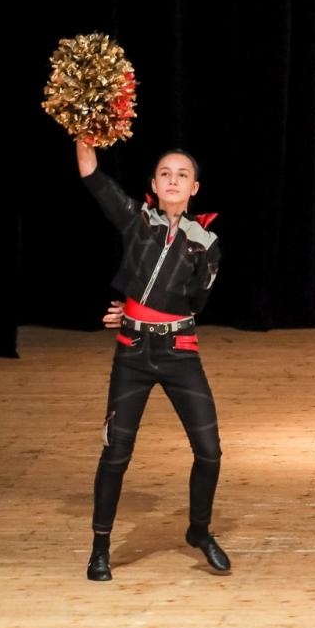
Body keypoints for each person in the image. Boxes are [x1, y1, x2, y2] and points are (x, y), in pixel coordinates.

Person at [76, 139, 230, 581]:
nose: (173, 180)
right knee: (116, 454)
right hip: (133, 354)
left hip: (180, 353)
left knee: (210, 452)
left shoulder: (206, 242)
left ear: (194, 186)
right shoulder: (136, 219)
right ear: (154, 184)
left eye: (182, 174)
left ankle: (198, 531)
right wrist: (86, 128)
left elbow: (195, 300)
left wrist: (144, 305)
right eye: (165, 173)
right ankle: (100, 548)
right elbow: (91, 172)